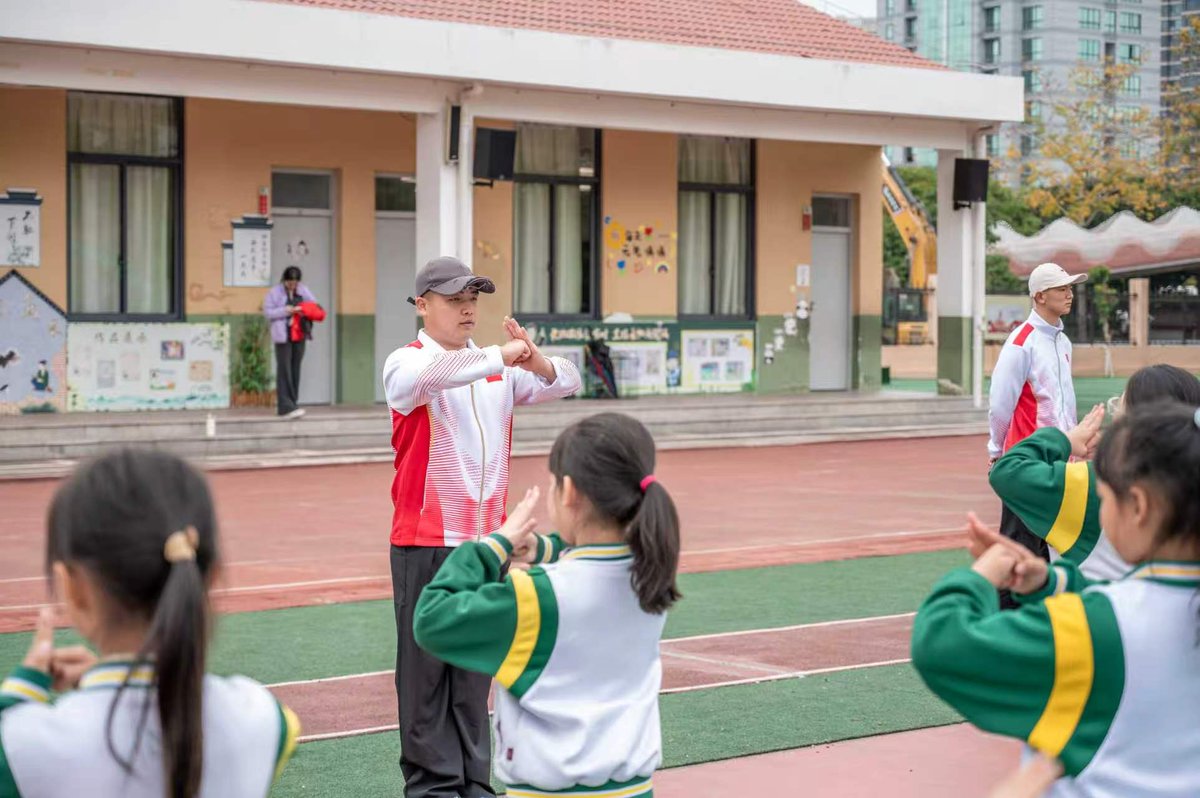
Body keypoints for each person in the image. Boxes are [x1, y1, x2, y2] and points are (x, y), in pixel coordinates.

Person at [912, 402, 1200, 797]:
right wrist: (1047, 582)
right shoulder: (1156, 607)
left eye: (1107, 499)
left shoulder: (1100, 631)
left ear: (1139, 507)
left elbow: (941, 642)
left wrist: (983, 573)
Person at [382, 255, 581, 798]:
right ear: (422, 306)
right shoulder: (407, 363)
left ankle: (475, 785)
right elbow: (428, 378)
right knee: (425, 681)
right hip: (425, 543)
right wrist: (500, 356)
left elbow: (569, 380)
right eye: (453, 299)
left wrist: (536, 361)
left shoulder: (493, 368)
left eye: (473, 298)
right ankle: (432, 789)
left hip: (486, 545)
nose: (467, 308)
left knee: (473, 677)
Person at [0, 449, 300, 797]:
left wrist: (19, 691)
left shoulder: (24, 746)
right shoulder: (262, 718)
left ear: (74, 590)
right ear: (210, 579)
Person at [413, 412, 680, 798]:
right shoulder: (651, 569)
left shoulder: (535, 596)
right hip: (634, 789)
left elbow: (432, 618)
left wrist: (493, 546)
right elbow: (595, 558)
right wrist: (545, 548)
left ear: (568, 492)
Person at [990, 364, 1200, 580]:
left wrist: (1064, 441)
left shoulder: (1101, 483)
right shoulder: (1188, 481)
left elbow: (1007, 471)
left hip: (1092, 609)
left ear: (1135, 423)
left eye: (1119, 405)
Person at [987, 262, 1087, 606]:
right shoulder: (1021, 342)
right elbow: (1001, 403)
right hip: (1027, 461)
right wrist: (998, 450)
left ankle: (1044, 616)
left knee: (1053, 544)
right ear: (1040, 296)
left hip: (1061, 461)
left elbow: (1064, 403)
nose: (1070, 294)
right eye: (1062, 289)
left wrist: (1074, 446)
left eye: (1070, 287)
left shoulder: (1063, 341)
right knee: (1019, 546)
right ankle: (1003, 618)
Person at [263, 265, 317, 419]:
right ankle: (284, 406)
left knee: (295, 369)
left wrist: (301, 309)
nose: (292, 285)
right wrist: (285, 310)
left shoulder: (303, 290)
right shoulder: (275, 292)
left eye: (295, 282)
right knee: (284, 369)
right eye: (289, 282)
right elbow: (268, 312)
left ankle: (293, 403)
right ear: (284, 280)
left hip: (299, 334)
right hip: (283, 336)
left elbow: (313, 305)